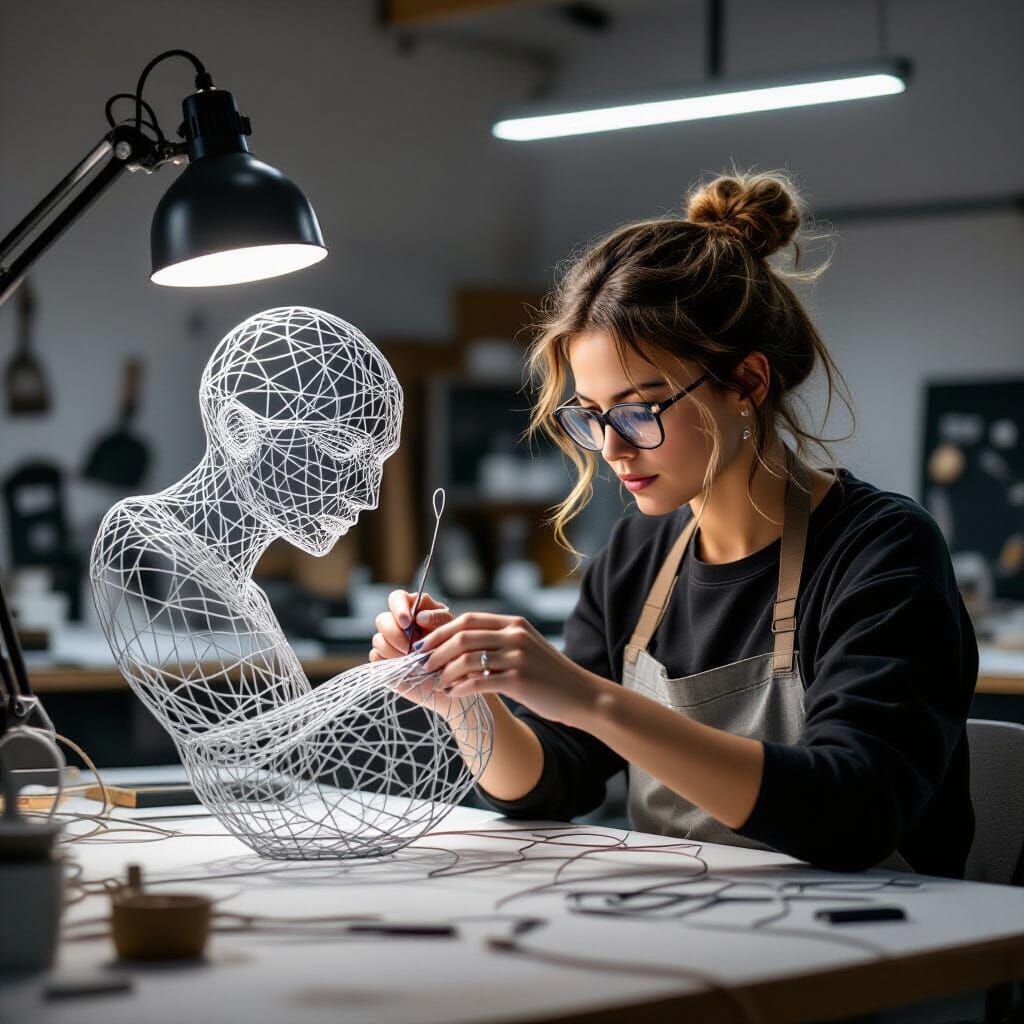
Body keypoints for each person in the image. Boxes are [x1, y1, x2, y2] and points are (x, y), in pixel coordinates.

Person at [371, 171, 978, 877]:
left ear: (748, 383)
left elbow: (854, 811)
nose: (612, 448)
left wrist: (592, 699)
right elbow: (554, 784)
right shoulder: (636, 556)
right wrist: (465, 704)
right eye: (591, 415)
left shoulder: (881, 551)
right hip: (692, 933)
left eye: (639, 409)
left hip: (884, 949)